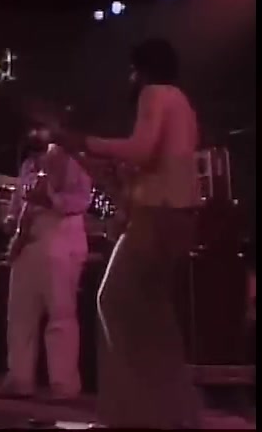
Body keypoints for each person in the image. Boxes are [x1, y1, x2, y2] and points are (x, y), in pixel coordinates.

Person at [55, 38, 201, 427]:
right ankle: (173, 414)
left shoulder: (154, 94)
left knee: (113, 302)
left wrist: (86, 142)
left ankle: (130, 414)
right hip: (178, 215)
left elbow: (141, 149)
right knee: (155, 317)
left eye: (133, 70)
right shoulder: (182, 103)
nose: (130, 79)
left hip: (157, 215)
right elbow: (155, 161)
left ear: (143, 70)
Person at [0, 113, 93, 401]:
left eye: (43, 126)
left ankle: (63, 384)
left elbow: (82, 199)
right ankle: (19, 379)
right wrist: (11, 220)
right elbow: (18, 203)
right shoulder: (29, 165)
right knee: (20, 315)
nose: (37, 132)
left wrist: (51, 200)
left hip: (60, 240)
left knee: (60, 315)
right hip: (28, 243)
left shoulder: (74, 160)